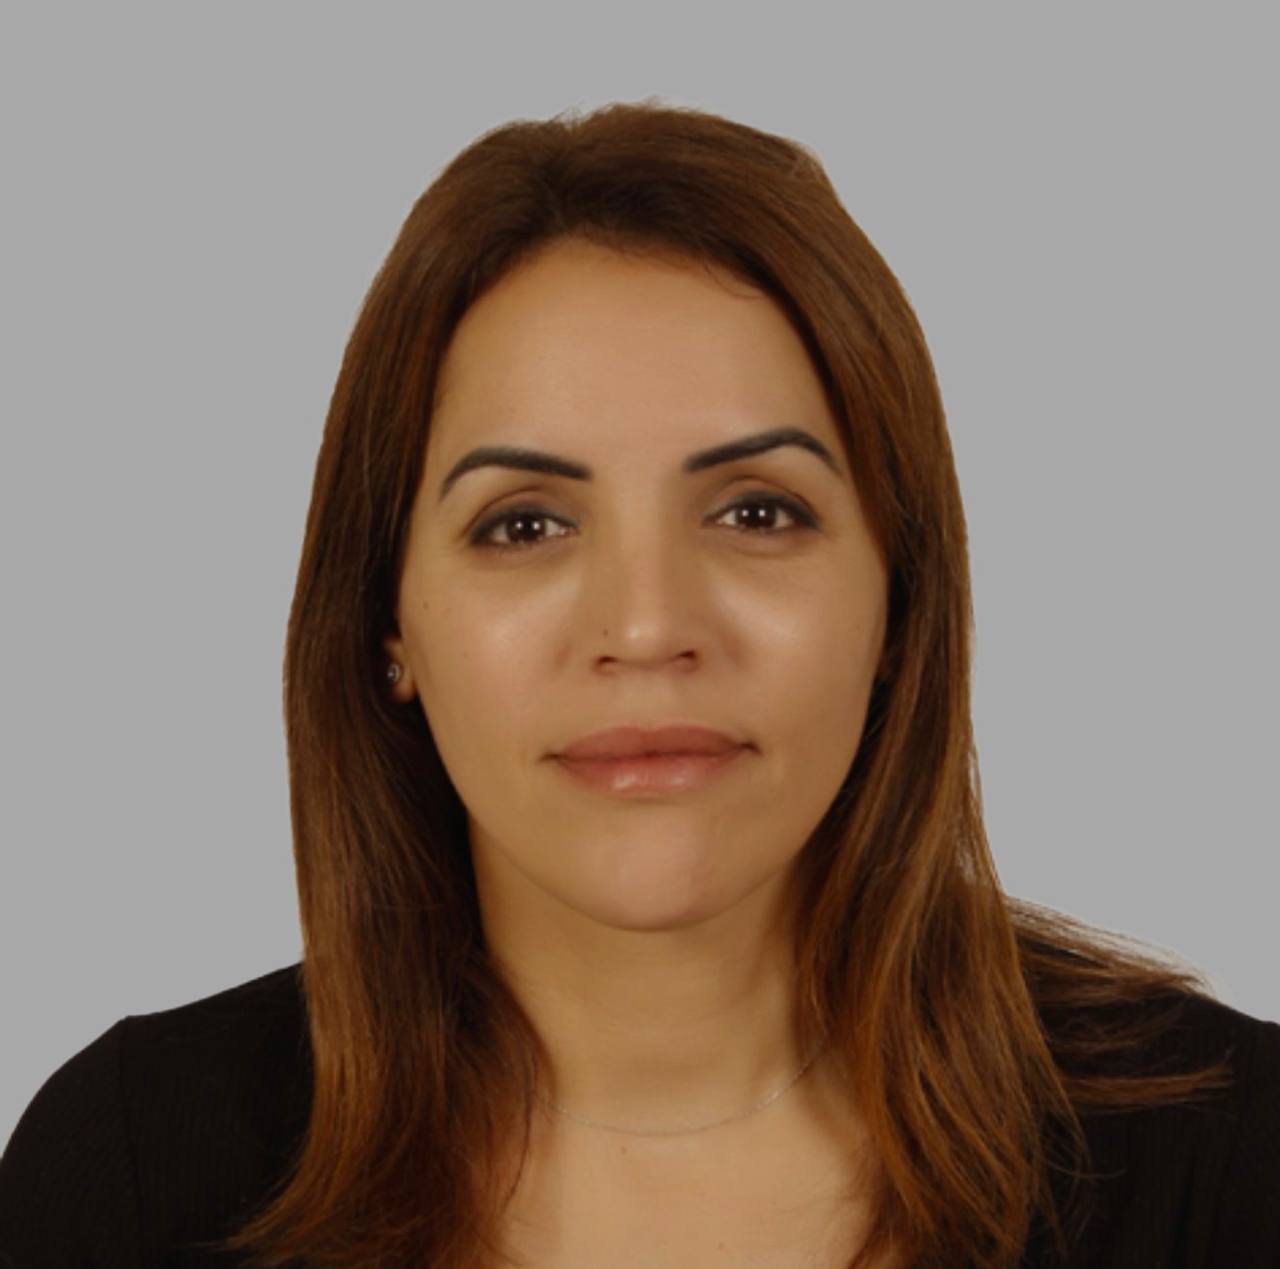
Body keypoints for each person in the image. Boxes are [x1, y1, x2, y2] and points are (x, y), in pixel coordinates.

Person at [2, 100, 1277, 1269]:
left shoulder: (1233, 1167)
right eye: (524, 524)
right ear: (388, 623)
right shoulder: (133, 1178)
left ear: (898, 602)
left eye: (757, 510)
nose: (647, 625)